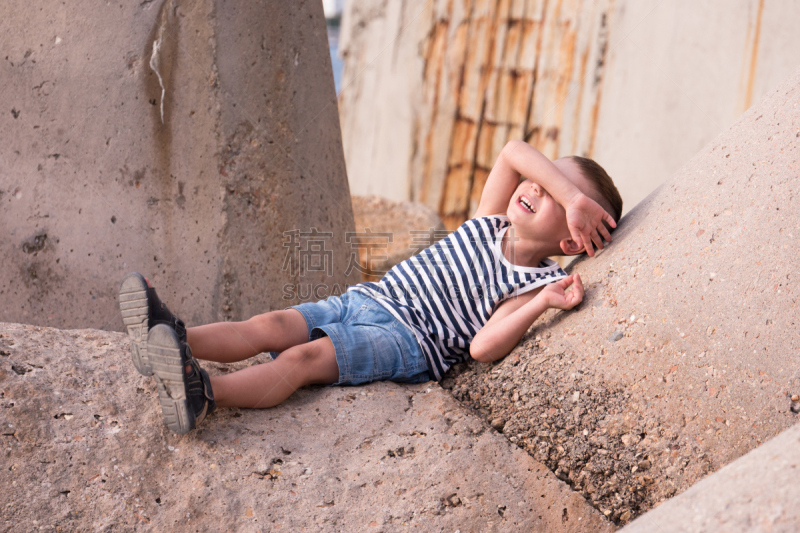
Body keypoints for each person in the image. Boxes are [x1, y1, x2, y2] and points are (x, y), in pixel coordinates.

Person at [119, 140, 623, 435]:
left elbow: (482, 346)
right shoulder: (490, 220)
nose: (538, 186)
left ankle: (205, 393)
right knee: (270, 325)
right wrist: (570, 193)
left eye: (558, 194)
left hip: (408, 341)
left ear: (571, 237)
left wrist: (543, 305)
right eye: (548, 179)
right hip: (370, 296)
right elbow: (514, 151)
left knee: (301, 360)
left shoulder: (534, 281)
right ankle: (171, 338)